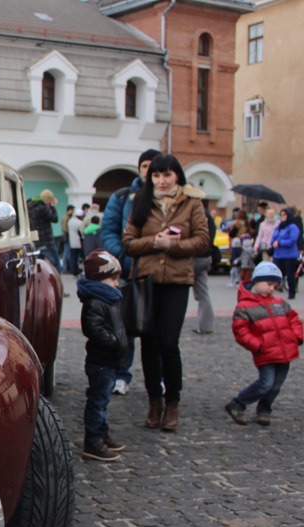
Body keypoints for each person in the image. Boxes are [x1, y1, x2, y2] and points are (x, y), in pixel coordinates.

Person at [122, 153, 209, 431]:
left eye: (166, 175)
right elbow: (128, 242)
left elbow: (203, 241)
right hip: (147, 281)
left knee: (169, 342)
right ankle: (154, 401)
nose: (160, 180)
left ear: (177, 177)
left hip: (176, 281)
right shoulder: (141, 201)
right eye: (156, 175)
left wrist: (173, 246)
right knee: (148, 342)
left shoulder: (192, 203)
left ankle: (172, 403)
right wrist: (154, 242)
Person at [100, 148, 161, 396]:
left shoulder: (171, 199)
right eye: (145, 166)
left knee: (158, 332)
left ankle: (158, 378)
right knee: (126, 326)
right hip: (130, 270)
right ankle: (122, 375)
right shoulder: (124, 197)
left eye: (155, 167)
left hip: (160, 273)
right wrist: (125, 258)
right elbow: (109, 231)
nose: (149, 171)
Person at [225, 261, 303, 427]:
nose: (272, 289)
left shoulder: (279, 303)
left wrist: (296, 337)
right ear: (257, 281)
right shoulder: (244, 306)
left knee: (276, 385)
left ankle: (264, 409)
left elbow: (294, 320)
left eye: (275, 285)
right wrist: (258, 345)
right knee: (265, 384)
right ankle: (238, 404)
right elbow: (241, 332)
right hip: (265, 353)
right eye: (269, 284)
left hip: (285, 351)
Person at [77, 249, 128, 462]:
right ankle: (93, 440)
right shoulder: (96, 301)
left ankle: (102, 434)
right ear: (100, 277)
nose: (117, 284)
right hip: (101, 360)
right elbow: (93, 329)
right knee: (97, 400)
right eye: (113, 278)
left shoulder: (109, 298)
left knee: (103, 399)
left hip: (110, 359)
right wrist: (114, 342)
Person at [191, 206, 216, 335]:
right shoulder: (206, 214)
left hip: (193, 256)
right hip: (205, 256)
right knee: (203, 293)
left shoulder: (192, 211)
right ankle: (206, 326)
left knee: (177, 290)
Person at [272, 207, 302, 299]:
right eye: (281, 215)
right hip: (278, 254)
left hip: (289, 255)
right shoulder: (279, 226)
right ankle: (271, 291)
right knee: (275, 273)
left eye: (284, 215)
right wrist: (272, 243)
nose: (282, 217)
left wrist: (280, 243)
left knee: (290, 275)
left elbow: (292, 240)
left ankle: (291, 292)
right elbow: (274, 237)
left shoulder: (293, 227)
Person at [27, 189, 60, 270]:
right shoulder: (43, 208)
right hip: (47, 242)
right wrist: (52, 206)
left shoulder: (30, 207)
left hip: (36, 241)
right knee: (56, 265)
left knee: (37, 266)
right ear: (48, 200)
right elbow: (55, 219)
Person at [66, 206, 84, 275]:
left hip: (72, 241)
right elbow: (81, 232)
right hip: (79, 242)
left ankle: (73, 270)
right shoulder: (79, 222)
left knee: (73, 257)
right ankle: (79, 270)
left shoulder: (70, 221)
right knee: (81, 257)